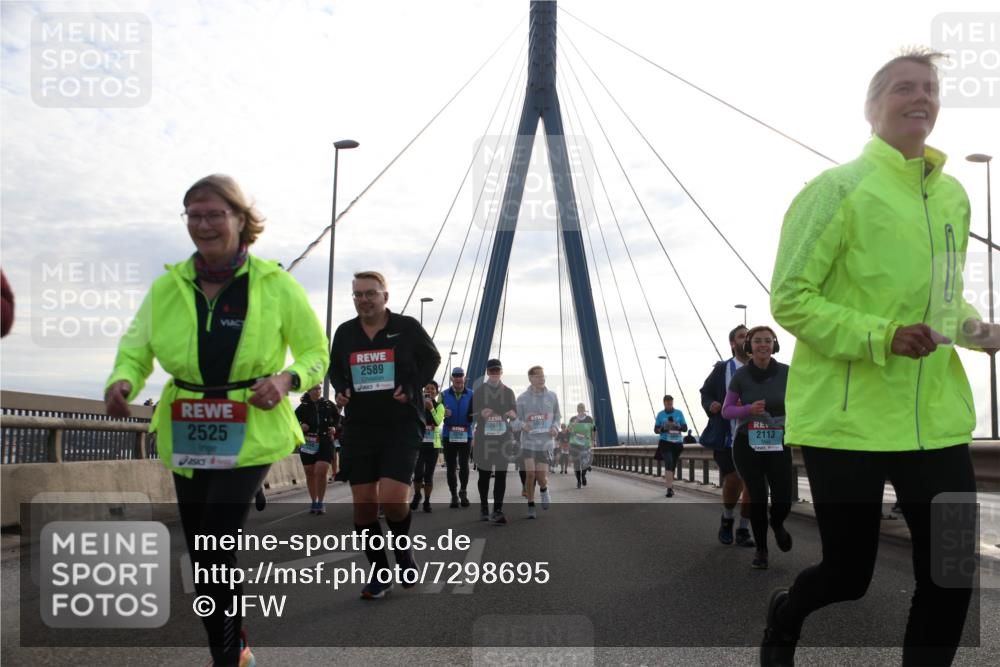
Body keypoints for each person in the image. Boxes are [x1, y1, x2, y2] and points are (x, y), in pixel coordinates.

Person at [762, 49, 996, 666]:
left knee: (950, 576)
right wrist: (883, 335)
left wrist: (978, 330)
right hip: (848, 424)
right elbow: (790, 298)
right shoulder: (834, 190)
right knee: (848, 574)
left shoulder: (953, 198)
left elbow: (944, 303)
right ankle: (786, 613)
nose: (920, 97)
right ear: (871, 109)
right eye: (902, 88)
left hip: (937, 423)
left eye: (930, 89)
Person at [104, 174, 328, 666]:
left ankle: (226, 657)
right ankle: (235, 640)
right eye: (193, 215)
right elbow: (135, 349)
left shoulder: (276, 285)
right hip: (188, 427)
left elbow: (316, 351)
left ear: (241, 221)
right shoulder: (168, 286)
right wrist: (123, 381)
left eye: (214, 214)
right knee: (203, 556)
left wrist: (287, 380)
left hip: (250, 428)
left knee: (216, 541)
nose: (203, 224)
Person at [330, 270, 441, 600]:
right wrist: (341, 389)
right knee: (364, 508)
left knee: (393, 500)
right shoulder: (346, 332)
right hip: (361, 427)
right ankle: (380, 572)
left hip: (401, 424)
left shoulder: (406, 327)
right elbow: (335, 368)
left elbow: (432, 358)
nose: (364, 300)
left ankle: (403, 550)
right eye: (358, 295)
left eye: (370, 293)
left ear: (385, 297)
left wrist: (411, 386)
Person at [721, 326, 794, 570]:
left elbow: (801, 402)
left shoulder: (787, 372)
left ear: (774, 344)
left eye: (768, 341)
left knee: (783, 497)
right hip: (747, 442)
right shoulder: (740, 376)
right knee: (758, 498)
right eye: (758, 341)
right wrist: (747, 410)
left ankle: (778, 523)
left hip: (777, 440)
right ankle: (761, 551)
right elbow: (726, 410)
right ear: (749, 346)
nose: (763, 345)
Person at [699, 324, 755, 547]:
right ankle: (727, 517)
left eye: (748, 336)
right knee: (733, 479)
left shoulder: (762, 367)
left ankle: (743, 528)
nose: (746, 339)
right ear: (733, 343)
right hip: (727, 436)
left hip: (757, 435)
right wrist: (711, 403)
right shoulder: (723, 369)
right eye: (742, 336)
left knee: (751, 484)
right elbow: (705, 392)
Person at [472, 358, 518, 524]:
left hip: (502, 440)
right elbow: (469, 415)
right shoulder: (479, 391)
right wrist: (480, 414)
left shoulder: (508, 392)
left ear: (501, 372)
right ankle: (484, 506)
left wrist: (512, 414)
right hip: (484, 439)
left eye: (497, 371)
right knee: (483, 475)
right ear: (487, 372)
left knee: (501, 475)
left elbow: (515, 414)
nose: (494, 374)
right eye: (491, 371)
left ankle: (498, 510)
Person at [513, 365, 561, 518]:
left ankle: (544, 489)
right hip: (528, 443)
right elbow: (514, 421)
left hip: (546, 443)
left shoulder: (552, 396)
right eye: (539, 376)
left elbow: (557, 417)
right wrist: (522, 425)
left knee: (541, 477)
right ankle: (531, 506)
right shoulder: (521, 399)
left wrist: (555, 427)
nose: (542, 378)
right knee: (530, 474)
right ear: (531, 379)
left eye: (543, 376)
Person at [296, 385, 341, 514]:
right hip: (308, 442)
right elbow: (292, 423)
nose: (318, 391)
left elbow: (337, 417)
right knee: (310, 471)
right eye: (315, 389)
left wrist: (333, 427)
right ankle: (314, 501)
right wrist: (301, 426)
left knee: (320, 470)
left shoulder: (327, 404)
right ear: (309, 391)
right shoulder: (303, 407)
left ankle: (321, 502)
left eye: (319, 388)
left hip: (325, 441)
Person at [440, 367, 475, 508]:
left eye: (460, 376)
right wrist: (443, 413)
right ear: (452, 378)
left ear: (464, 378)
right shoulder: (443, 394)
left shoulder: (472, 394)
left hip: (465, 434)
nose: (458, 378)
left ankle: (463, 492)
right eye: (455, 376)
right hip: (449, 434)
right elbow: (436, 413)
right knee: (451, 467)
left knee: (464, 464)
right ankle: (454, 495)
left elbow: (477, 412)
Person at [411, 381, 444, 513]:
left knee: (428, 476)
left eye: (432, 389)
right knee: (418, 474)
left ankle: (427, 500)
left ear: (436, 392)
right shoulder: (418, 405)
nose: (429, 391)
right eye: (427, 389)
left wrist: (431, 408)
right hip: (419, 445)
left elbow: (437, 421)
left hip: (433, 446)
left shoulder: (439, 406)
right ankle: (417, 495)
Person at [653, 395, 687, 497]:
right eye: (667, 403)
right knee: (668, 462)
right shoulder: (660, 415)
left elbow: (685, 428)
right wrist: (663, 428)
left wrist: (678, 426)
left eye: (671, 403)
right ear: (664, 403)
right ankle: (669, 489)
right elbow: (655, 430)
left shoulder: (679, 413)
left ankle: (671, 486)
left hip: (677, 443)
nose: (669, 405)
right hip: (665, 442)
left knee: (673, 465)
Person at [568, 403, 595, 488]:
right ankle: (578, 481)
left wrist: (593, 441)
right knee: (576, 463)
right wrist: (574, 423)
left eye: (582, 409)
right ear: (577, 410)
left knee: (585, 463)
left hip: (586, 444)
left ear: (584, 409)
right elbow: (568, 430)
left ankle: (583, 476)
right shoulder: (573, 419)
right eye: (579, 409)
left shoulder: (589, 419)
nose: (580, 410)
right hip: (575, 444)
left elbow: (593, 430)